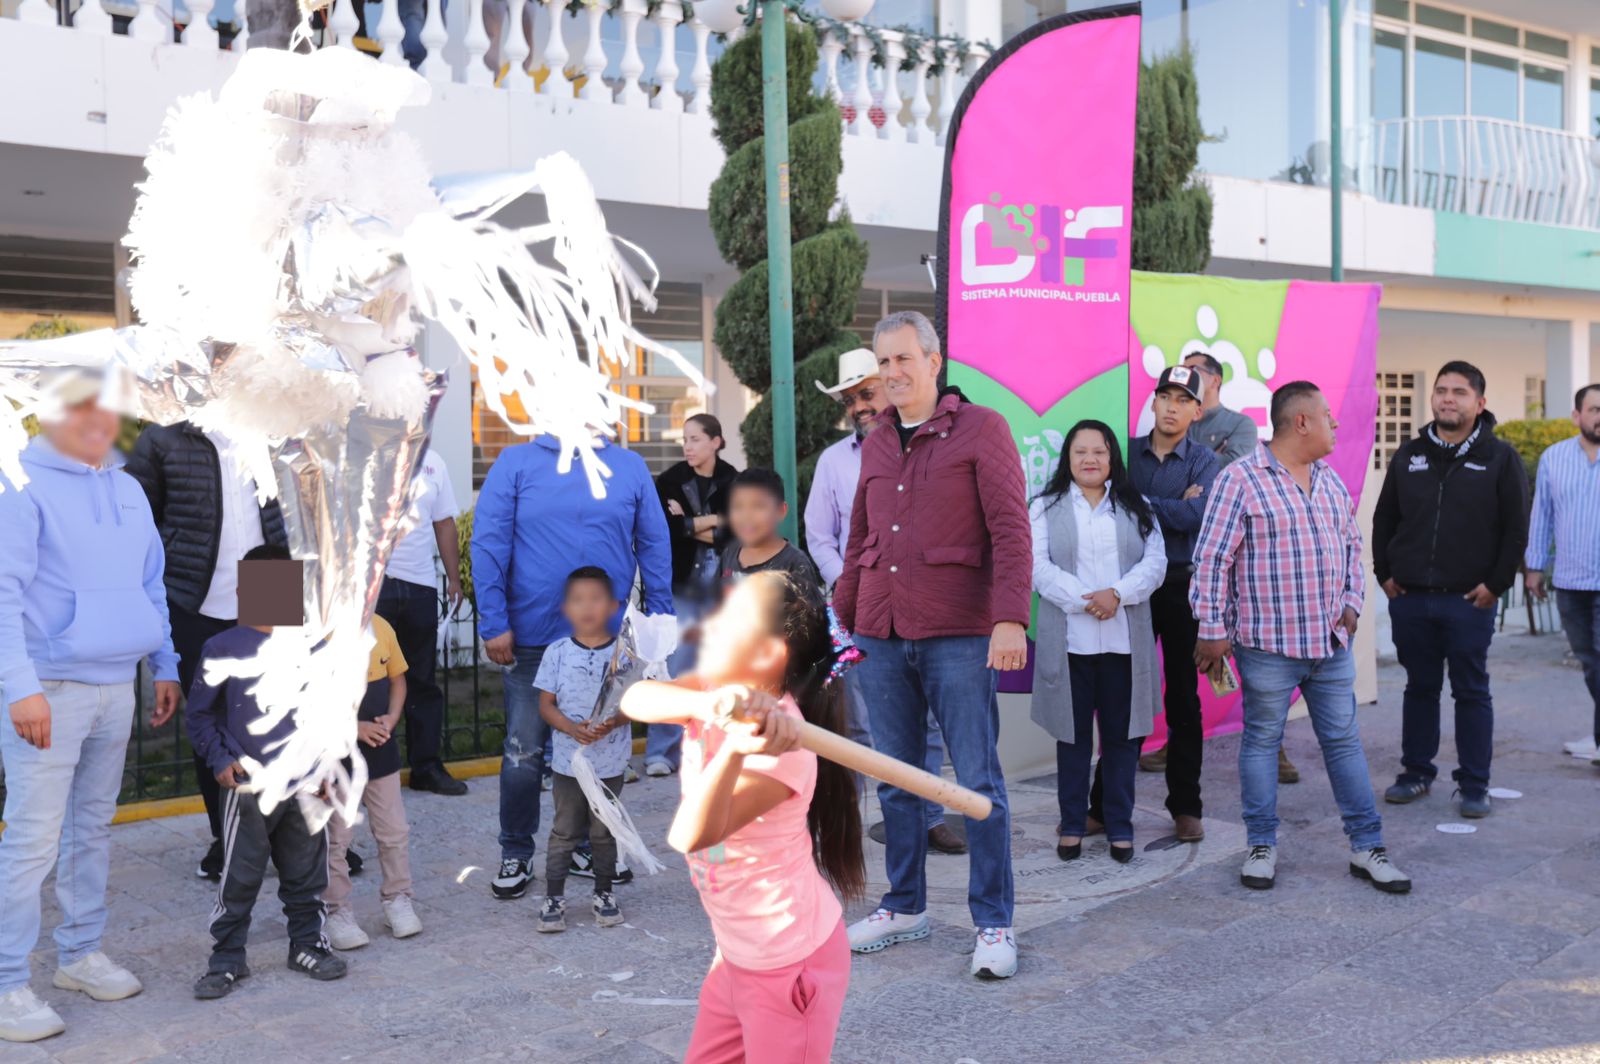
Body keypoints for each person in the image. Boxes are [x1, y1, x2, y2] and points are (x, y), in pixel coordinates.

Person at [835, 310, 1030, 980]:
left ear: (934, 360)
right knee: (894, 777)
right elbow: (862, 537)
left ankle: (994, 921)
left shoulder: (983, 428)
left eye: (902, 360)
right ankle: (905, 904)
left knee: (977, 782)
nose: (891, 375)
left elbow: (1010, 529)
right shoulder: (877, 441)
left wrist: (1011, 618)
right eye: (882, 364)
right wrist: (843, 617)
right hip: (881, 633)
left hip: (959, 632)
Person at [620, 572, 863, 1064]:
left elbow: (692, 834)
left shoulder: (785, 750)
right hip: (736, 956)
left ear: (767, 654)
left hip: (789, 963)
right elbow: (636, 699)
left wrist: (733, 747)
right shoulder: (716, 689)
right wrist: (705, 704)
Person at [0, 390, 181, 1043]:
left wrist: (165, 662)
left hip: (116, 687)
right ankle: (5, 986)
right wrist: (20, 688)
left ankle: (79, 955)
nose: (101, 423)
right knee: (31, 842)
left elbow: (151, 581)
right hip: (49, 689)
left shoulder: (129, 488)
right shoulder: (19, 483)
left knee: (91, 831)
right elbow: (2, 590)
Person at [1191, 381, 1411, 895]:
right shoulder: (1240, 480)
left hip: (1330, 647)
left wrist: (1354, 603)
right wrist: (1212, 630)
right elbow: (1211, 560)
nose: (1336, 425)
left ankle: (1367, 846)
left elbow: (1353, 549)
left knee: (1344, 743)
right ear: (1301, 422)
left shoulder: (1331, 481)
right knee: (1263, 742)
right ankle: (1261, 845)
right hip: (1266, 646)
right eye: (1328, 416)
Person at [471, 433, 673, 901]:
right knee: (524, 751)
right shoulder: (516, 462)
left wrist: (658, 620)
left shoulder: (628, 465)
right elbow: (489, 542)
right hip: (531, 635)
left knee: (601, 745)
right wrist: (493, 619)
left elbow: (654, 541)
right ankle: (516, 852)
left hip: (607, 642)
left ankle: (587, 848)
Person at [807, 348, 961, 855]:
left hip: (923, 603)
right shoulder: (833, 462)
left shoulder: (932, 446)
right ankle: (852, 820)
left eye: (866, 393)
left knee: (928, 720)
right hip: (856, 608)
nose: (859, 406)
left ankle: (931, 815)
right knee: (855, 721)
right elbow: (819, 535)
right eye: (851, 399)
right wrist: (851, 582)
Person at [126, 421, 290, 880]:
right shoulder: (162, 436)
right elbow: (140, 516)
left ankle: (297, 838)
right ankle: (228, 839)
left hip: (271, 579)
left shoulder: (271, 423)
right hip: (192, 591)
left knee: (287, 713)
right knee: (211, 722)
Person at [186, 543, 347, 1000]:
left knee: (306, 870)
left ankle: (307, 945)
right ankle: (227, 956)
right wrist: (220, 759)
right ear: (242, 592)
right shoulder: (221, 648)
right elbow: (199, 716)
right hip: (248, 787)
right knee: (240, 872)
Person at [1372, 361, 1529, 818]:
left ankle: (1475, 784)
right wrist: (1384, 572)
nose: (1447, 399)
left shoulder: (1500, 458)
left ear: (1479, 403)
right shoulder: (1409, 455)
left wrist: (1496, 585)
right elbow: (1385, 519)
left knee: (1471, 692)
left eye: (1459, 392)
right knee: (1419, 688)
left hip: (1468, 600)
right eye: (1441, 390)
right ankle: (1416, 772)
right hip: (1412, 598)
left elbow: (1515, 529)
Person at [1088, 366, 1218, 844]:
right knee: (1126, 698)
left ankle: (1186, 806)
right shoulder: (1124, 451)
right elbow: (1106, 505)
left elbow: (1197, 515)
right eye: (1164, 396)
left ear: (1197, 411)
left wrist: (1138, 502)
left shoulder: (1205, 462)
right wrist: (1165, 504)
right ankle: (1103, 806)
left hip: (1182, 588)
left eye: (1182, 400)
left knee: (1183, 699)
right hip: (1131, 590)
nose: (1170, 406)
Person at [1030, 421, 1167, 863]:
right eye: (1080, 452)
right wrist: (1087, 601)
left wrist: (1119, 596)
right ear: (1067, 459)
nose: (1090, 459)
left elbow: (1155, 562)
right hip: (1070, 643)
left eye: (1100, 452)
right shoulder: (1045, 507)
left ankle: (1119, 826)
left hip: (1123, 644)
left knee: (1122, 740)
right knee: (1072, 741)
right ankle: (1072, 825)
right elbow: (1036, 566)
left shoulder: (1136, 506)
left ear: (1112, 459)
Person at [1178, 351, 1301, 786]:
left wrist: (1196, 485)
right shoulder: (1178, 423)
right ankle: (1177, 746)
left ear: (1213, 379)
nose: (1184, 377)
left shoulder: (1240, 426)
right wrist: (1186, 488)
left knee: (1254, 664)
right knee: (1183, 663)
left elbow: (1231, 482)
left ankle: (1275, 748)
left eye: (1192, 370)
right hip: (1184, 558)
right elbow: (1171, 485)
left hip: (1235, 564)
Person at [534, 567, 634, 933]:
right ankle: (554, 897)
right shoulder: (557, 653)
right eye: (578, 600)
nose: (587, 607)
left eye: (595, 599)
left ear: (611, 606)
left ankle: (604, 892)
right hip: (567, 765)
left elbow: (636, 702)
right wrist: (571, 728)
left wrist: (615, 720)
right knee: (564, 830)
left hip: (609, 764)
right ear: (566, 609)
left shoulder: (623, 655)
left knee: (604, 831)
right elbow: (546, 705)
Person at [324, 614, 424, 951]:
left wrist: (393, 717)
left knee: (394, 830)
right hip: (336, 754)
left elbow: (398, 680)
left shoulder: (383, 627)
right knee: (337, 838)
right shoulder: (316, 634)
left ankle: (398, 898)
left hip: (381, 751)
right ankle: (336, 910)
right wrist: (356, 728)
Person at [649, 414, 738, 777]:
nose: (687, 446)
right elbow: (667, 531)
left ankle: (717, 746)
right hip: (683, 586)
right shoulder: (670, 480)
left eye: (696, 439)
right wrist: (715, 519)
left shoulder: (735, 479)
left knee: (722, 668)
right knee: (675, 667)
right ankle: (661, 752)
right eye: (685, 439)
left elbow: (736, 532)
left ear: (716, 441)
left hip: (724, 588)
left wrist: (690, 523)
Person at [376, 446, 468, 796]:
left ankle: (425, 767)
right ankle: (371, 771)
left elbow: (443, 522)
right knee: (371, 681)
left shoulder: (434, 460)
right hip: (374, 587)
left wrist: (453, 578)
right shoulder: (367, 450)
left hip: (420, 586)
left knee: (422, 680)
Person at [1525, 383, 1600, 764]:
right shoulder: (1555, 458)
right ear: (1577, 415)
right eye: (1595, 409)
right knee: (1589, 661)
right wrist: (1534, 567)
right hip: (1570, 580)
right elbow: (1542, 517)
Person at [719, 468, 823, 593]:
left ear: (781, 511)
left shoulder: (795, 564)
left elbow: (810, 611)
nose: (746, 516)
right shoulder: (729, 554)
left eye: (758, 506)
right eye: (738, 506)